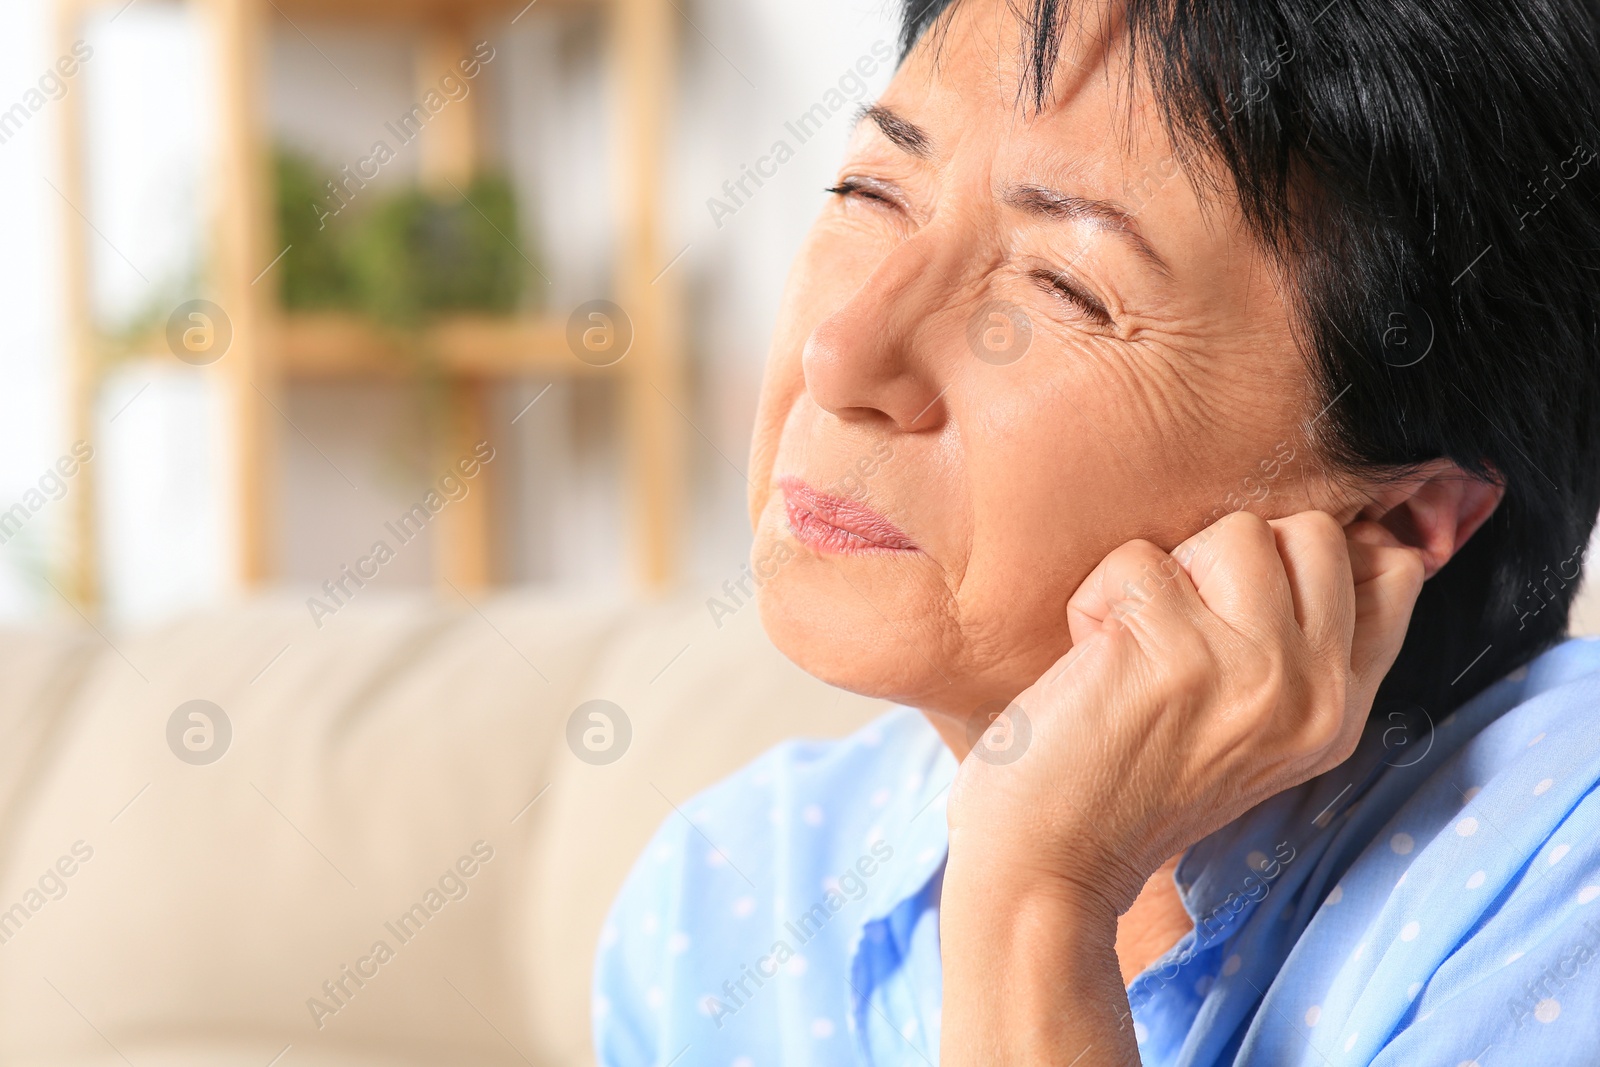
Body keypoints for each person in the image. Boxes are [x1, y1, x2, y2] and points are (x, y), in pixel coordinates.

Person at [595, 0, 1600, 1062]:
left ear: (1393, 516)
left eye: (1063, 286)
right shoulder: (728, 896)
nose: (840, 355)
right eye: (870, 190)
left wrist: (1036, 898)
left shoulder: (1556, 884)